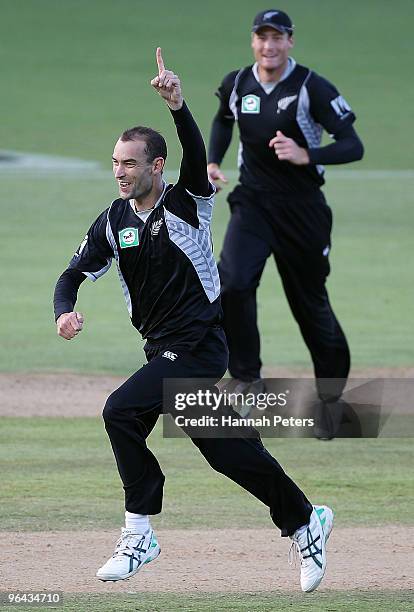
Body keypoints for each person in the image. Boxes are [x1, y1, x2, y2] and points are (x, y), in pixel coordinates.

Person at [53, 48, 333, 592]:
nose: (120, 171)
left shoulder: (188, 204)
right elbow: (70, 276)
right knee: (233, 454)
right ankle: (305, 521)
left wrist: (179, 107)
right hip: (164, 351)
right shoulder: (113, 222)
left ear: (156, 167)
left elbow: (196, 154)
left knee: (119, 412)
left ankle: (140, 531)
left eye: (130, 163)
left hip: (201, 346)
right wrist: (64, 310)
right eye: (115, 162)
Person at [207, 9, 364, 411]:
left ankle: (331, 399)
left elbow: (352, 144)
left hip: (303, 211)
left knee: (309, 306)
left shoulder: (313, 87)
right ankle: (246, 378)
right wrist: (212, 161)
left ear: (290, 41)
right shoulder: (239, 82)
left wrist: (305, 154)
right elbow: (224, 120)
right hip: (254, 203)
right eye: (262, 37)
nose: (269, 45)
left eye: (277, 38)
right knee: (233, 284)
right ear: (253, 41)